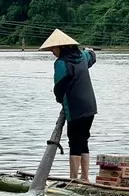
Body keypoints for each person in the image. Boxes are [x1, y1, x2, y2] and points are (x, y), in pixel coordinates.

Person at [39, 29, 98, 183]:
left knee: (74, 142)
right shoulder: (82, 57)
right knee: (83, 140)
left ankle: (74, 179)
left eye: (54, 48)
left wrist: (60, 100)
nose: (52, 52)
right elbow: (92, 55)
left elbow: (59, 87)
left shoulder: (61, 63)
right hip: (90, 106)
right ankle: (85, 178)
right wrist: (89, 50)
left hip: (75, 107)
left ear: (62, 47)